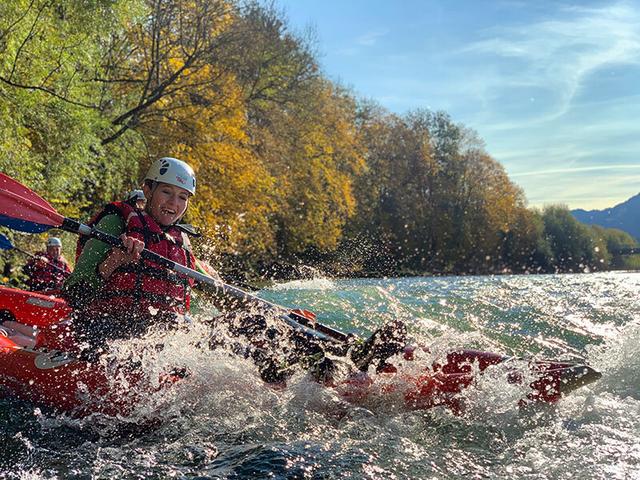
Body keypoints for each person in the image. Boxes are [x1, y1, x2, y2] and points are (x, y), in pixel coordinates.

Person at [63, 157, 202, 354]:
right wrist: (114, 261)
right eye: (166, 192)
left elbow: (207, 294)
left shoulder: (182, 242)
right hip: (107, 331)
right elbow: (74, 295)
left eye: (182, 197)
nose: (174, 202)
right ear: (147, 190)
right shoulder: (115, 224)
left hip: (162, 340)